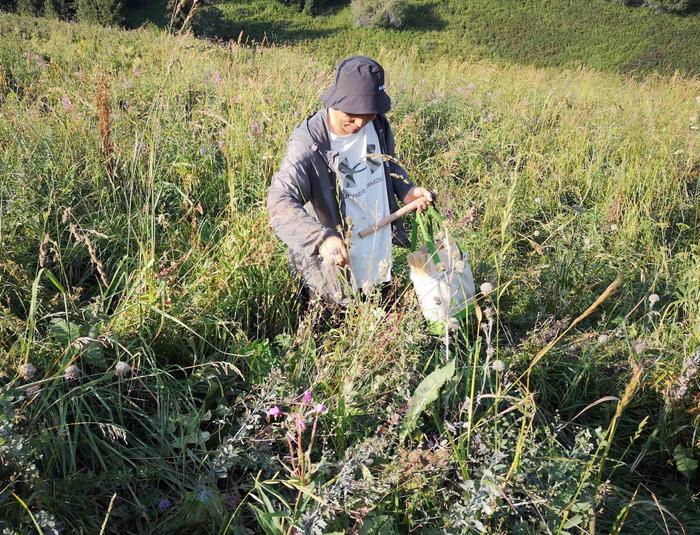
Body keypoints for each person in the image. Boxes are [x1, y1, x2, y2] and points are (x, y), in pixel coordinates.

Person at [267, 56, 433, 309]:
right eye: (352, 115)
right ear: (336, 100)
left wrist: (407, 190)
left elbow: (387, 164)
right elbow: (279, 201)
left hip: (377, 255)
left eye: (367, 115)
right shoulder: (309, 144)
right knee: (332, 336)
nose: (359, 123)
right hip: (334, 268)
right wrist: (322, 239)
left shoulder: (377, 124)